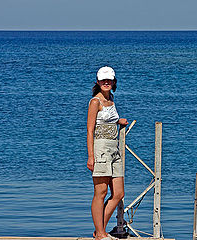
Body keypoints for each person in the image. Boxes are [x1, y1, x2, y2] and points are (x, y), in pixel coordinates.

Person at [87, 66, 128, 240]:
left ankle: (100, 231)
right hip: (101, 148)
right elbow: (90, 130)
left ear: (113, 82)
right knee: (101, 192)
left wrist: (119, 121)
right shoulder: (95, 102)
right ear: (97, 82)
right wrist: (91, 156)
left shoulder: (111, 99)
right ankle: (100, 234)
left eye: (109, 80)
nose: (106, 82)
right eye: (103, 80)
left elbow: (107, 119)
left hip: (114, 148)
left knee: (119, 193)